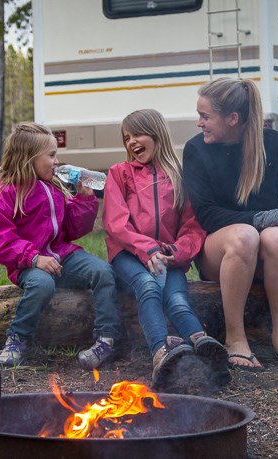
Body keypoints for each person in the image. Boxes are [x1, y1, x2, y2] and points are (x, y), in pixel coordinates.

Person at [183, 77, 278, 371]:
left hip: (268, 257)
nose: (199, 123)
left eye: (205, 116)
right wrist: (259, 219)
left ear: (233, 118)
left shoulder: (276, 145)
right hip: (220, 251)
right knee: (245, 236)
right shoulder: (195, 150)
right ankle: (235, 338)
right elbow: (206, 214)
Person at [103, 109, 230, 387]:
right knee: (148, 287)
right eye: (126, 138)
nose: (131, 142)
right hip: (128, 255)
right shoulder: (119, 173)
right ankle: (161, 353)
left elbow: (193, 226)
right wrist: (148, 249)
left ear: (156, 134)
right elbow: (115, 223)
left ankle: (204, 347)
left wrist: (176, 251)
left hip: (167, 257)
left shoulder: (177, 176)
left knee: (177, 299)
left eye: (137, 134)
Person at [0, 122, 124, 369]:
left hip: (62, 255)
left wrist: (85, 199)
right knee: (42, 284)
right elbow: (0, 239)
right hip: (29, 263)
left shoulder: (54, 188)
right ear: (28, 158)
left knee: (103, 271)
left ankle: (107, 338)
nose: (56, 161)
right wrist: (34, 258)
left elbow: (72, 229)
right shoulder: (7, 193)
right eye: (51, 155)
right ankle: (18, 337)